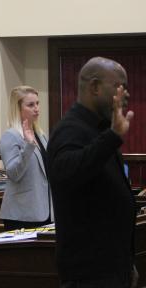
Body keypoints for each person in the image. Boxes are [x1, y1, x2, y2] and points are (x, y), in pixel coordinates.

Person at [48, 57, 138, 287]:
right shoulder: (69, 129)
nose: (126, 94)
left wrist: (127, 264)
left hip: (112, 269)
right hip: (88, 274)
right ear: (95, 87)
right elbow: (67, 173)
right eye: (120, 86)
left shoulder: (101, 129)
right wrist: (112, 138)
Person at [0, 86, 52, 230]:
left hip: (44, 211)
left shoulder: (41, 135)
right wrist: (28, 145)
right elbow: (14, 174)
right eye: (30, 105)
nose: (36, 108)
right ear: (18, 108)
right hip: (22, 215)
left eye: (37, 103)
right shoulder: (10, 136)